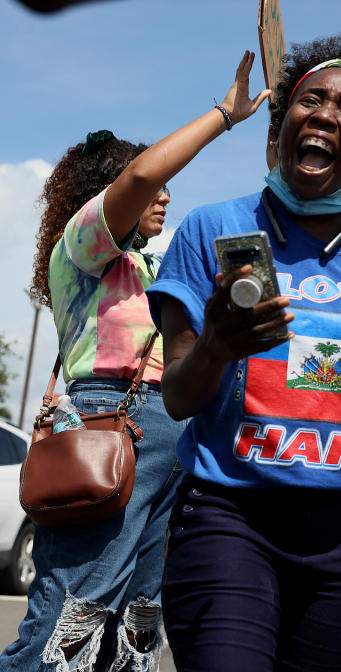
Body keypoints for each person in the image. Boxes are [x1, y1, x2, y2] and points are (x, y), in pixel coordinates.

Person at [147, 33, 341, 672]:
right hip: (232, 518)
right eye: (311, 100)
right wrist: (218, 346)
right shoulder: (215, 229)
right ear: (282, 125)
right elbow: (177, 397)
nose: (326, 115)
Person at [0, 52, 269, 672]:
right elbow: (144, 177)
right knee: (74, 610)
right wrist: (225, 116)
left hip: (172, 433)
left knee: (138, 623)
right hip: (107, 427)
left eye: (170, 188)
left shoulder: (153, 266)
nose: (167, 195)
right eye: (154, 186)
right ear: (102, 191)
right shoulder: (83, 247)